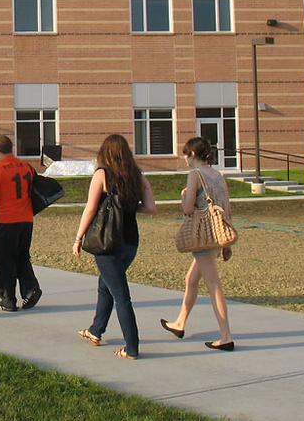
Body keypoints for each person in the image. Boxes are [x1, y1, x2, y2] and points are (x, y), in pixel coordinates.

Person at [72, 134, 157, 360]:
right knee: (106, 285)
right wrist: (128, 208)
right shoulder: (137, 176)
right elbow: (150, 207)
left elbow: (90, 209)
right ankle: (95, 330)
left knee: (121, 295)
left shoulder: (102, 174)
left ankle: (132, 347)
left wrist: (78, 237)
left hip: (107, 243)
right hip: (130, 243)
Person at [160, 136, 235, 351]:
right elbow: (226, 207)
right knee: (191, 279)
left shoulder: (195, 175)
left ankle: (225, 335)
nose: (184, 158)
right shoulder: (217, 175)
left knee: (213, 284)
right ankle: (180, 323)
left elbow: (188, 209)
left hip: (203, 235)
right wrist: (227, 243)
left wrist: (184, 195)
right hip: (217, 234)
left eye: (185, 153)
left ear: (192, 154)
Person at [0, 134, 42, 311]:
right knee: (21, 256)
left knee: (2, 259)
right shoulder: (27, 167)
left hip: (7, 220)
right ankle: (30, 289)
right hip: (27, 220)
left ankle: (8, 299)